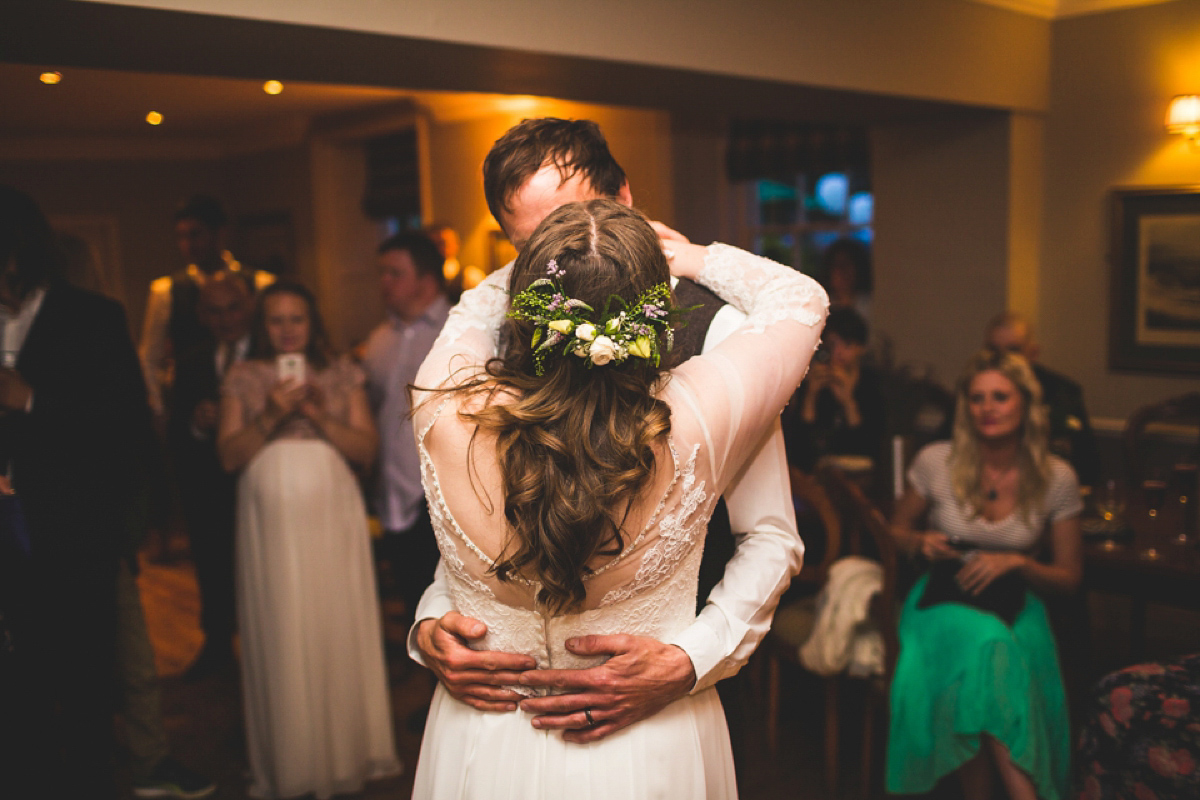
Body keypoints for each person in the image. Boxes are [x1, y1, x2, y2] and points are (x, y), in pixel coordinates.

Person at [409, 198, 827, 797]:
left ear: (526, 312)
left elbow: (472, 306)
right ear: (661, 316)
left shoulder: (439, 403)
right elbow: (802, 298)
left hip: (484, 742)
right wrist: (690, 254)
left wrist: (562, 250)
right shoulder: (698, 415)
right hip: (644, 752)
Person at [216, 281, 401, 799]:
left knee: (332, 618)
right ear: (262, 325)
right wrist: (273, 411)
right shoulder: (243, 376)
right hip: (268, 525)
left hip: (331, 518)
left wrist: (317, 414)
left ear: (312, 322)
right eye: (276, 319)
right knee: (282, 621)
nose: (287, 328)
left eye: (297, 317)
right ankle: (292, 759)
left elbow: (366, 450)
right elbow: (229, 457)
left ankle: (346, 752)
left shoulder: (341, 373)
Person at [0, 185, 153, 799]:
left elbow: (126, 426)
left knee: (87, 676)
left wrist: (30, 400)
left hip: (73, 530)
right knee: (19, 681)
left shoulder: (92, 316)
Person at [886, 349, 1083, 800]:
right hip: (942, 598)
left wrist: (1019, 562)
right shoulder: (937, 460)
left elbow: (1069, 578)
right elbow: (894, 532)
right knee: (987, 644)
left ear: (1026, 405)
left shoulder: (1057, 477)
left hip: (1016, 597)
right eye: (977, 398)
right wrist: (919, 542)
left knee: (998, 653)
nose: (987, 408)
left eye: (1000, 397)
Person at [360, 232, 451, 622]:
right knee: (413, 601)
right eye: (381, 273)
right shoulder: (377, 341)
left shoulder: (459, 332)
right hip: (392, 492)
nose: (383, 283)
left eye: (394, 273)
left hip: (444, 495)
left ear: (426, 281)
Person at [169, 272, 254, 680]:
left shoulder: (271, 351)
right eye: (214, 312)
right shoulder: (191, 362)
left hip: (260, 478)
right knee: (213, 563)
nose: (225, 319)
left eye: (233, 308)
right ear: (203, 316)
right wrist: (199, 424)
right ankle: (217, 644)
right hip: (211, 485)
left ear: (248, 307)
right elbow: (175, 433)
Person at [141, 194, 273, 414]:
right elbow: (149, 358)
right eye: (181, 237)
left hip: (253, 403)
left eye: (196, 235)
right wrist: (159, 409)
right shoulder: (166, 291)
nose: (188, 245)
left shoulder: (259, 284)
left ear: (219, 233)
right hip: (192, 404)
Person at [984, 311, 1099, 487]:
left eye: (1013, 350)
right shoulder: (973, 392)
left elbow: (1087, 464)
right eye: (993, 350)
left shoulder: (1062, 392)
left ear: (1033, 353)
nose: (1002, 359)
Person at [784, 306, 886, 472]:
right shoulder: (816, 379)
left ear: (861, 348)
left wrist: (848, 401)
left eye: (846, 345)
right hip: (816, 471)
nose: (837, 353)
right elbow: (799, 449)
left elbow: (870, 447)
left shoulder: (871, 384)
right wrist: (810, 396)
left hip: (858, 474)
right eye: (832, 345)